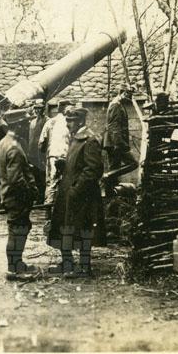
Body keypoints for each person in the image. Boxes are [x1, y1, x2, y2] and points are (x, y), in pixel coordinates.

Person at [47, 108, 104, 277]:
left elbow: (93, 169)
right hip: (69, 191)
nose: (68, 124)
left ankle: (85, 267)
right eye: (67, 120)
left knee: (83, 229)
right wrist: (63, 164)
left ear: (80, 121)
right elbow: (78, 164)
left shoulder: (90, 140)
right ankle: (67, 263)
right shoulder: (76, 138)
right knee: (64, 227)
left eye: (71, 121)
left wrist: (76, 189)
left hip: (82, 195)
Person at [0, 109, 39, 279]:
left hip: (8, 194)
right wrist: (30, 192)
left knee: (18, 229)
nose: (27, 126)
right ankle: (14, 270)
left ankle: (17, 263)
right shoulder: (14, 147)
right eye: (25, 124)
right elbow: (16, 180)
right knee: (17, 231)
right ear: (18, 125)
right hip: (17, 197)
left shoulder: (1, 144)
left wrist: (3, 188)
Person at [38, 99, 72, 214]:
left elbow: (41, 143)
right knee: (66, 182)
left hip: (52, 156)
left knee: (51, 183)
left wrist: (46, 152)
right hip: (67, 156)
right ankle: (63, 211)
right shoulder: (70, 122)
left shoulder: (50, 122)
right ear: (64, 108)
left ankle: (48, 211)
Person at [103, 84, 138, 188]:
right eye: (129, 94)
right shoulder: (116, 105)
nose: (130, 97)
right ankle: (106, 177)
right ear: (122, 93)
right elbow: (114, 127)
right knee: (133, 163)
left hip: (114, 143)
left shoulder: (119, 104)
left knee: (114, 168)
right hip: (115, 144)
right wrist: (119, 144)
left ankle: (111, 191)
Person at [26, 99, 48, 203]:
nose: (38, 110)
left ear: (43, 109)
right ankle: (37, 196)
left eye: (40, 108)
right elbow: (30, 138)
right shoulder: (32, 122)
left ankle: (42, 197)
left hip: (42, 152)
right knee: (34, 175)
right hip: (33, 153)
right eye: (36, 108)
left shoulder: (47, 121)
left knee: (42, 174)